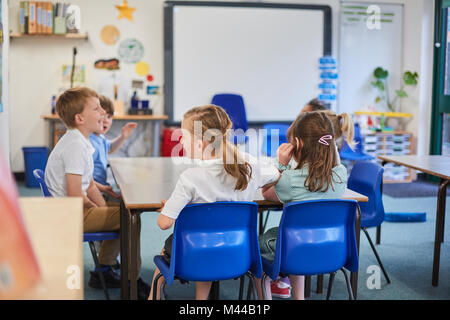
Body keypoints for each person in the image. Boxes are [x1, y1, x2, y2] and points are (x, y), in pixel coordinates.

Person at [148, 104, 280, 300]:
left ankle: (153, 297)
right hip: (240, 249)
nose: (181, 141)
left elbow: (164, 223)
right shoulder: (250, 165)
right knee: (209, 234)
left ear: (201, 144)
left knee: (178, 243)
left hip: (196, 253)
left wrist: (172, 207)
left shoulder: (190, 178)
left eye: (183, 136)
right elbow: (277, 176)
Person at [44, 87, 149, 299]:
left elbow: (89, 184)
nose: (102, 112)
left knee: (124, 211)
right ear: (80, 118)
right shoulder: (75, 145)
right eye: (96, 108)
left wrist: (104, 208)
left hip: (70, 211)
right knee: (131, 218)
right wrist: (100, 210)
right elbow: (76, 195)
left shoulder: (80, 141)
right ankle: (132, 282)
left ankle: (106, 268)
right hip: (71, 215)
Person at [256, 111, 348, 300]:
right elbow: (336, 164)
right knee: (299, 233)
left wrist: (280, 165)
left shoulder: (289, 180)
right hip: (332, 246)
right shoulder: (341, 175)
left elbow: (266, 193)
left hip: (294, 247)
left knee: (257, 247)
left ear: (297, 144)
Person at [89, 95, 137, 201]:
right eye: (102, 116)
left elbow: (109, 148)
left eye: (109, 117)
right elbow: (83, 179)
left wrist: (123, 136)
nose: (106, 121)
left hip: (101, 188)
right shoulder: (89, 142)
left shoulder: (99, 137)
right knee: (129, 202)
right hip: (94, 192)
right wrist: (103, 189)